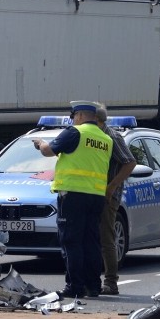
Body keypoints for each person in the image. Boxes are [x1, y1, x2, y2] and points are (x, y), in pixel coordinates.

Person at [33, 101, 113, 298]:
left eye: (73, 117)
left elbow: (48, 151)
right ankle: (93, 286)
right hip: (96, 195)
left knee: (71, 241)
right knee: (91, 242)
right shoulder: (105, 139)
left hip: (73, 194)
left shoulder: (75, 132)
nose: (72, 120)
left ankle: (74, 286)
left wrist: (41, 143)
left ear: (78, 116)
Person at [94, 104, 137, 295]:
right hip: (91, 193)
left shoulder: (112, 136)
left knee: (106, 237)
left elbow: (130, 163)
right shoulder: (92, 136)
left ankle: (111, 282)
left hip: (107, 196)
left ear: (97, 120)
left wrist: (111, 187)